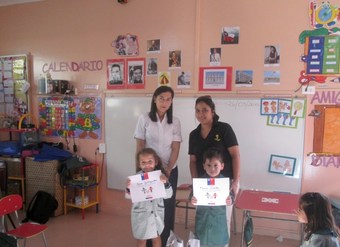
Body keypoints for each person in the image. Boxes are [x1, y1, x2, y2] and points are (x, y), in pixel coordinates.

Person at [134, 86, 182, 247]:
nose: (165, 102)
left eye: (168, 99)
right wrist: (140, 170)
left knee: (166, 209)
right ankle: (147, 242)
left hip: (169, 170)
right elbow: (140, 143)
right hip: (148, 171)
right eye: (161, 98)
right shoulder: (144, 118)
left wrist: (168, 170)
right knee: (147, 208)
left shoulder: (175, 121)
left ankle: (164, 242)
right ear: (155, 98)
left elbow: (175, 147)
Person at [188, 95, 241, 243]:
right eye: (197, 110)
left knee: (222, 221)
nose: (201, 114)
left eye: (205, 110)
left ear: (212, 111)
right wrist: (195, 183)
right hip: (203, 184)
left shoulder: (224, 129)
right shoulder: (194, 134)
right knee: (203, 219)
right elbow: (193, 161)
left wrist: (236, 181)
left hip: (225, 183)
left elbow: (236, 156)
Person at [126, 148, 173, 247]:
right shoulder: (135, 179)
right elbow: (128, 196)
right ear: (139, 164)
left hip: (156, 214)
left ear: (155, 162)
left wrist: (166, 183)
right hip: (141, 215)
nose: (147, 164)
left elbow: (169, 195)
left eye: (150, 161)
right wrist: (129, 188)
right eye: (143, 162)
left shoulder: (161, 176)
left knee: (156, 238)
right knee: (141, 240)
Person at [191, 147, 233, 247]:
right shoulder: (199, 182)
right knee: (202, 242)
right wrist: (192, 200)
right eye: (208, 165)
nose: (212, 169)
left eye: (215, 165)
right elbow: (192, 197)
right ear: (204, 166)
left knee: (218, 242)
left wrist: (229, 200)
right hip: (203, 220)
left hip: (218, 221)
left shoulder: (225, 183)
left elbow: (231, 198)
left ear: (222, 166)